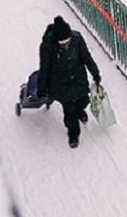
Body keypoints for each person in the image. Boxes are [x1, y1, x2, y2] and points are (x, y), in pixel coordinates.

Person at [38, 16, 101, 148]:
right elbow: (44, 68)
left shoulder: (77, 39)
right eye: (62, 42)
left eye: (68, 40)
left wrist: (95, 73)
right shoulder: (47, 47)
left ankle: (80, 111)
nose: (66, 43)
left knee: (84, 100)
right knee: (69, 111)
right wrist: (42, 87)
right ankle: (73, 134)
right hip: (60, 83)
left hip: (78, 78)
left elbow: (86, 57)